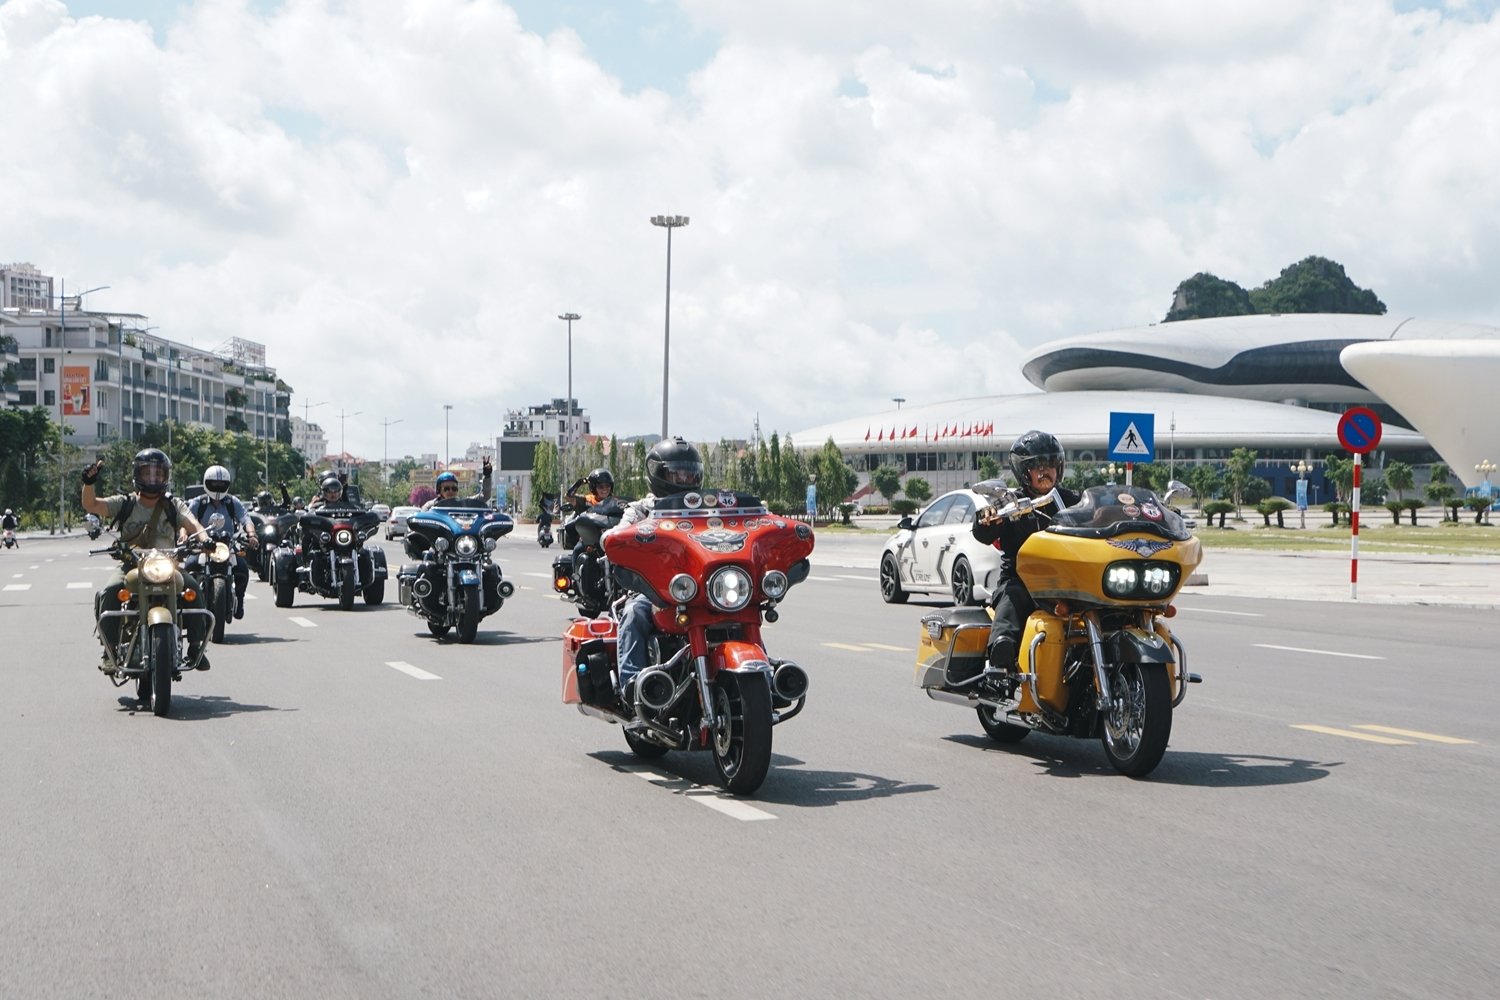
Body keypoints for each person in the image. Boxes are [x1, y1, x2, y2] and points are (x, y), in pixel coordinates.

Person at [79, 449, 213, 673]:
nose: (153, 479)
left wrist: (206, 540)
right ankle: (109, 650)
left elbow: (195, 525)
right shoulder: (126, 503)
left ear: (165, 477)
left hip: (167, 565)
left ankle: (196, 646)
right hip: (132, 565)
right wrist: (89, 482)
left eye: (158, 474)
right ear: (137, 475)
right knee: (110, 591)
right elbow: (92, 505)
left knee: (194, 589)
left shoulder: (173, 505)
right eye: (147, 474)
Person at [970, 430, 1080, 683]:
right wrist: (988, 518)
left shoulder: (1072, 500)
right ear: (1023, 471)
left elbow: (1100, 513)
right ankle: (1000, 658)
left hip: (1068, 582)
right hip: (1023, 581)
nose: (1045, 471)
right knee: (1013, 597)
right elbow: (983, 532)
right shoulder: (1011, 502)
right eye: (1036, 466)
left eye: (1050, 464)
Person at [607, 437, 704, 706]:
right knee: (634, 612)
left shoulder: (705, 509)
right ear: (659, 474)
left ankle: (763, 676)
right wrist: (618, 538)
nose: (684, 478)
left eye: (689, 472)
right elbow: (615, 537)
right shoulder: (641, 509)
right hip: (654, 590)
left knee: (737, 612)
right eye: (677, 472)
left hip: (699, 589)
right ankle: (632, 686)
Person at [186, 465, 260, 620]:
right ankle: (189, 606)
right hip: (203, 547)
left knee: (242, 569)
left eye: (221, 485)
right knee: (189, 567)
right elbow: (187, 521)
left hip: (227, 546)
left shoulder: (233, 502)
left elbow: (246, 519)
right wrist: (183, 536)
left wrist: (252, 534)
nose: (218, 488)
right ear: (206, 483)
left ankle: (239, 600)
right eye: (214, 484)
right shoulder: (198, 503)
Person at [421, 458, 493, 510]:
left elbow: (484, 496)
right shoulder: (430, 506)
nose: (451, 491)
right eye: (446, 489)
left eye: (454, 488)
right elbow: (422, 520)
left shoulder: (464, 503)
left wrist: (487, 475)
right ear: (439, 490)